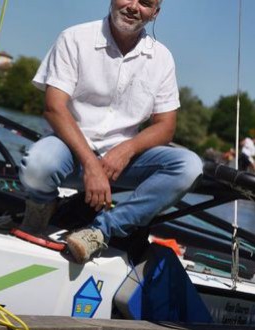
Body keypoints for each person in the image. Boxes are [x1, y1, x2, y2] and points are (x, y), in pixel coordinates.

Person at [15, 0, 203, 264]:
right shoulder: (75, 38)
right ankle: (40, 209)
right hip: (69, 149)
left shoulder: (162, 59)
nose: (134, 7)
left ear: (155, 14)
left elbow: (165, 127)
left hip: (122, 163)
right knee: (39, 164)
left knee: (189, 166)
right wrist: (91, 164)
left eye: (146, 3)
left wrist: (125, 150)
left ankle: (100, 231)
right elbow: (54, 108)